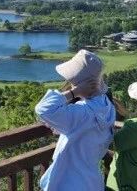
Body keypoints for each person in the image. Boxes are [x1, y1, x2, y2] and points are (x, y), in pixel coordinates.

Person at [34, 49, 117, 191]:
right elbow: (85, 132)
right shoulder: (106, 106)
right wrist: (65, 129)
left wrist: (74, 92)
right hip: (91, 182)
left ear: (82, 85)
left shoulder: (83, 112)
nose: (70, 84)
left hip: (69, 183)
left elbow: (43, 108)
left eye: (73, 82)